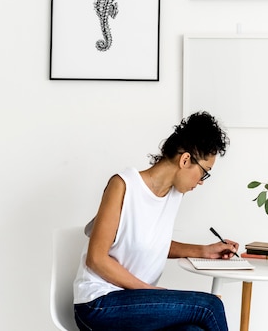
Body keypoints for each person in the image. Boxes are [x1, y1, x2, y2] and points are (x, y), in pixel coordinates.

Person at [73, 111, 236, 331]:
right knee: (209, 306)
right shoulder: (123, 185)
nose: (202, 182)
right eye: (204, 173)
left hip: (137, 304)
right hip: (99, 304)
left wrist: (204, 251)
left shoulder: (174, 194)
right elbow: (96, 259)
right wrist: (149, 292)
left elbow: (148, 242)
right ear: (185, 160)